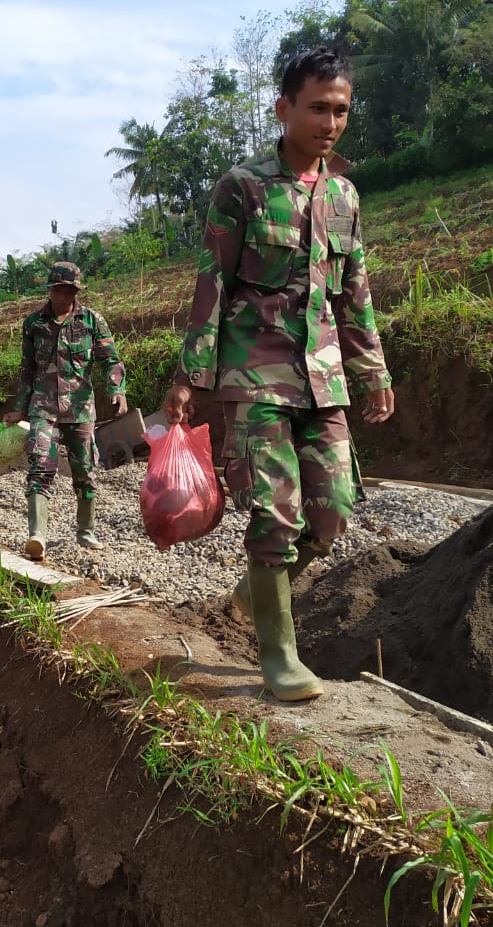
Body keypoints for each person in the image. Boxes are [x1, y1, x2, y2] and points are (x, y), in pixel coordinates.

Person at [162, 46, 395, 702]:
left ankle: (253, 590)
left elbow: (356, 289)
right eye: (318, 107)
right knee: (276, 515)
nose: (330, 121)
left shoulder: (346, 196)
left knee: (333, 515)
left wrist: (370, 366)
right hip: (254, 371)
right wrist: (191, 377)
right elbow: (212, 282)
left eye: (341, 109)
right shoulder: (243, 188)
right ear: (284, 108)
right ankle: (279, 658)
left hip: (322, 375)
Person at [3, 262, 127, 560]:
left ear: (76, 291)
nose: (64, 296)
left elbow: (111, 360)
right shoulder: (33, 323)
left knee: (85, 471)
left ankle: (85, 532)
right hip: (43, 408)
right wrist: (19, 408)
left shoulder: (92, 321)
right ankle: (37, 536)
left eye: (70, 291)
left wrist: (117, 390)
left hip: (80, 410)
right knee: (40, 467)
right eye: (59, 290)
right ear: (51, 289)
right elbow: (26, 369)